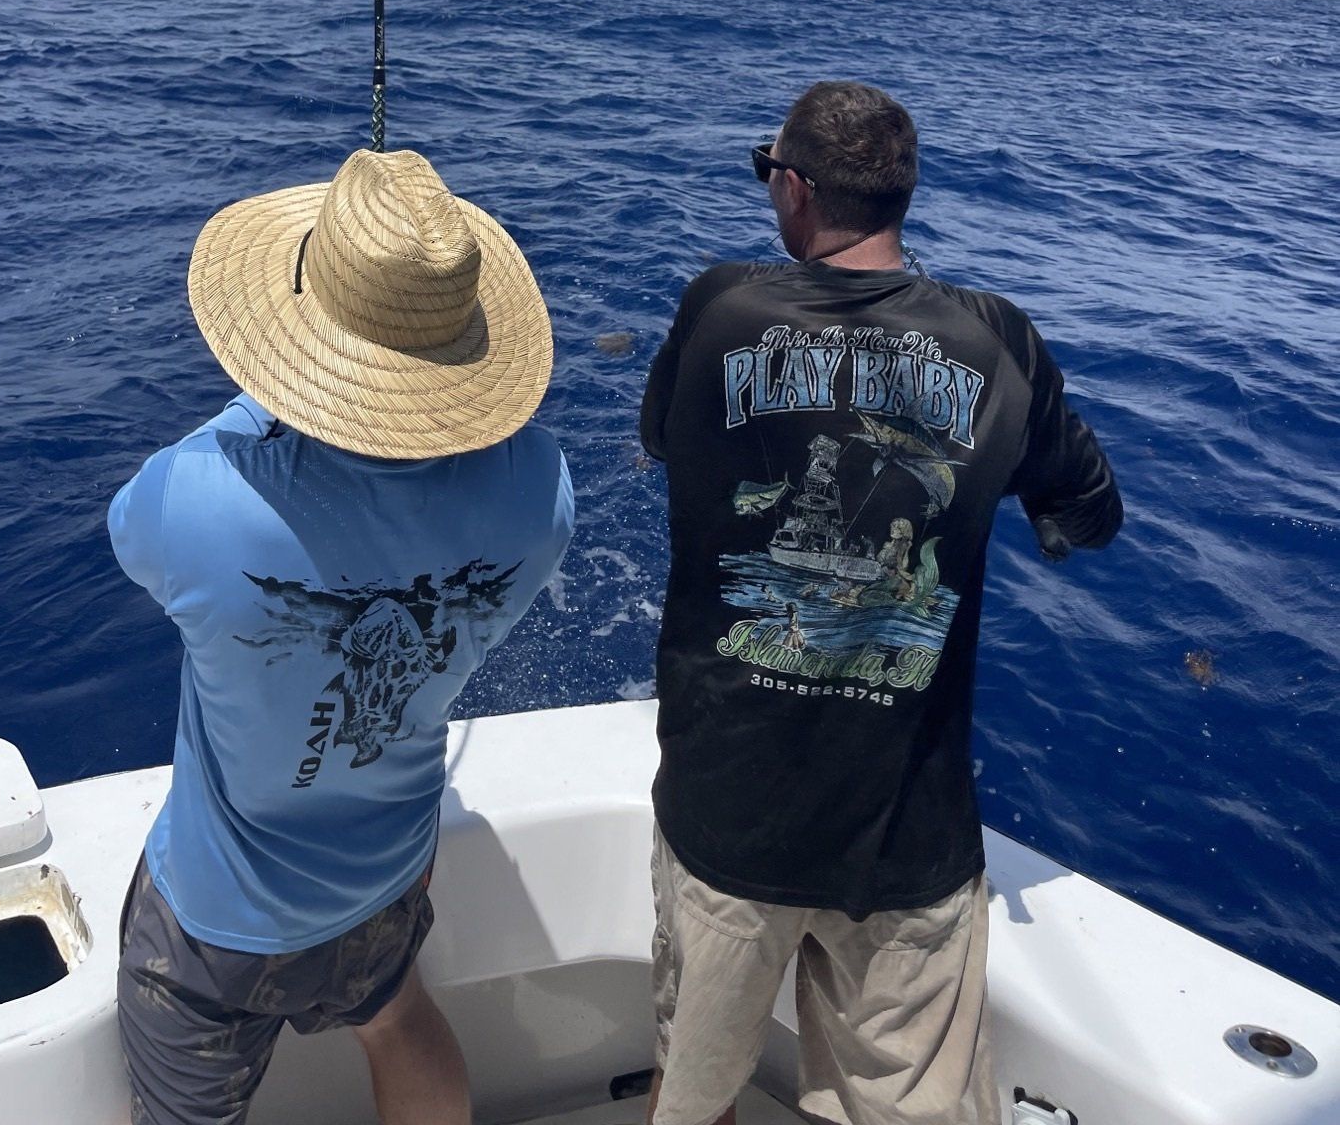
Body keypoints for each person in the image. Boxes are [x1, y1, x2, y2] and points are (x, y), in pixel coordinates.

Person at [640, 81, 1122, 1125]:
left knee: (691, 1102)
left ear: (798, 191)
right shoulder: (1000, 340)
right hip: (908, 840)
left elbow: (661, 442)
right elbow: (1088, 511)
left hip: (727, 815)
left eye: (772, 173)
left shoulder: (719, 306)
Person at [109, 147, 573, 1125]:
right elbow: (499, 452)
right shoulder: (541, 495)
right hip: (389, 881)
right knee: (397, 1018)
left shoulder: (197, 505)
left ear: (308, 339)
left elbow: (139, 519)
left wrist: (286, 383)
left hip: (218, 921)